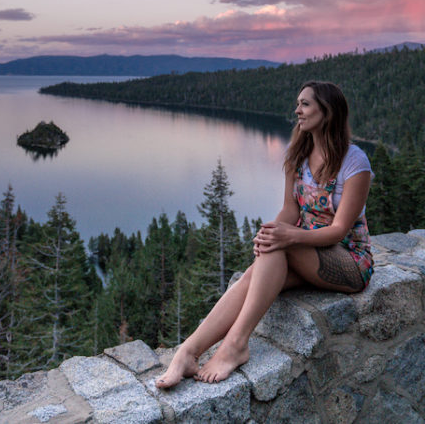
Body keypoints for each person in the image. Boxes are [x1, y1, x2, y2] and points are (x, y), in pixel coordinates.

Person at [156, 80, 373, 387]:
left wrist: (287, 237)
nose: (297, 110)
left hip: (350, 262)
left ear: (328, 111)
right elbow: (290, 211)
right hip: (308, 253)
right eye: (297, 103)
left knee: (278, 248)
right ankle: (188, 351)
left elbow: (338, 231)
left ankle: (235, 346)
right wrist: (270, 232)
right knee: (253, 275)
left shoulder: (354, 162)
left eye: (305, 104)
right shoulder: (298, 154)